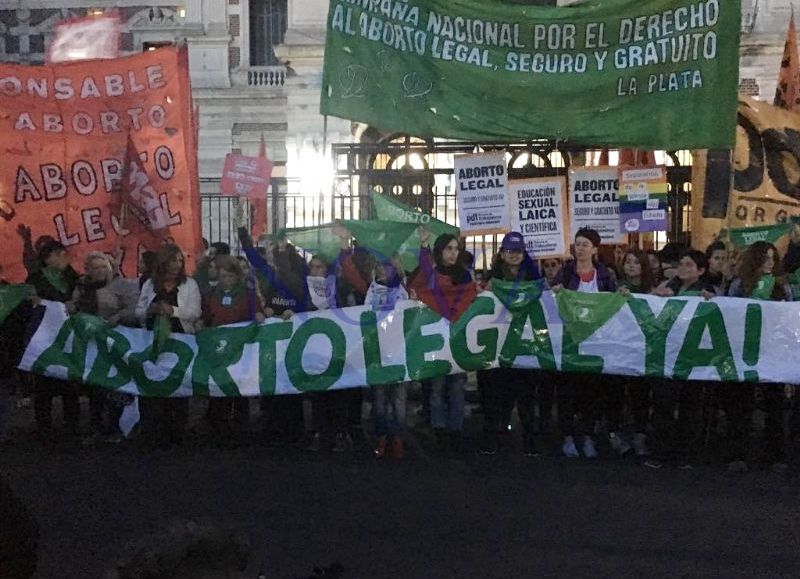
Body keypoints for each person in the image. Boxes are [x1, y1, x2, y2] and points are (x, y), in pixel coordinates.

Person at [409, 228, 478, 452]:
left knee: (456, 388)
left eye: (456, 249)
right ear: (439, 251)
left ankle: (455, 431)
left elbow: (469, 300)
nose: (453, 253)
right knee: (437, 388)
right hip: (436, 343)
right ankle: (440, 432)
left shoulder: (465, 276)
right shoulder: (430, 274)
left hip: (457, 341)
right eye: (448, 248)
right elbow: (415, 289)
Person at [479, 232, 547, 456]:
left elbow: (545, 300)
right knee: (499, 395)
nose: (514, 255)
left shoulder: (532, 276)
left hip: (525, 346)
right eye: (509, 251)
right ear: (502, 253)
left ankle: (529, 440)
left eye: (517, 251)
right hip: (500, 345)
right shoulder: (494, 278)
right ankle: (496, 437)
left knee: (527, 396)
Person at [551, 227, 616, 459]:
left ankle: (587, 435)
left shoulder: (606, 275)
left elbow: (614, 302)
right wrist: (556, 291)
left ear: (594, 249)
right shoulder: (566, 273)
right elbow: (552, 298)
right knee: (567, 391)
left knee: (591, 391)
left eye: (585, 244)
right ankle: (568, 437)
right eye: (577, 244)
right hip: (569, 342)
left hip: (596, 342)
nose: (580, 248)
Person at [238, 227, 307, 444]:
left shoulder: (297, 281)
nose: (268, 255)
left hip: (291, 337)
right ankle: (273, 427)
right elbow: (251, 256)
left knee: (290, 386)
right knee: (272, 382)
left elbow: (305, 306)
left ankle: (293, 430)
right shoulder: (270, 275)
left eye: (273, 252)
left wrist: (293, 313)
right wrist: (242, 232)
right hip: (272, 337)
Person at [727, 241, 792, 472]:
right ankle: (737, 454)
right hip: (745, 351)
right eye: (765, 258)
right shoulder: (739, 285)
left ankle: (776, 455)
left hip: (772, 352)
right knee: (741, 404)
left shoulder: (782, 288)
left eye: (773, 259)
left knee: (774, 404)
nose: (770, 263)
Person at [652, 249, 716, 469]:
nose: (683, 268)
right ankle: (661, 452)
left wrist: (712, 301)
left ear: (701, 270)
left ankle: (685, 454)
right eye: (681, 263)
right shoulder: (668, 288)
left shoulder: (707, 292)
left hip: (692, 357)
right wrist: (657, 297)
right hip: (669, 355)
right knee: (664, 405)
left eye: (689, 265)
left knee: (690, 406)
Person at [69, 252, 139, 444]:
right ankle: (95, 427)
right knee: (94, 386)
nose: (100, 271)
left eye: (103, 267)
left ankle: (115, 427)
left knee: (115, 385)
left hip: (115, 342)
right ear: (88, 271)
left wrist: (119, 316)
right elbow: (75, 308)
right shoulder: (82, 288)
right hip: (91, 343)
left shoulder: (122, 286)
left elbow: (135, 310)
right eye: (95, 268)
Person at [135, 244, 201, 447]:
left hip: (179, 338)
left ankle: (177, 430)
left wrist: (173, 310)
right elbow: (138, 310)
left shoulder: (189, 284)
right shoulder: (149, 284)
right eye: (173, 260)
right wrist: (150, 309)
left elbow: (194, 312)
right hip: (154, 339)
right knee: (153, 383)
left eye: (180, 261)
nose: (177, 265)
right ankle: (153, 430)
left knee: (177, 384)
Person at [200, 255, 266, 446]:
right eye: (223, 276)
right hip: (218, 347)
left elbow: (257, 312)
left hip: (240, 348)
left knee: (239, 388)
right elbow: (205, 316)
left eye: (230, 275)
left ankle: (240, 427)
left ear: (237, 276)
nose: (226, 279)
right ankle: (217, 427)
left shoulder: (247, 294)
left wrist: (259, 315)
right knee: (219, 386)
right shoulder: (212, 294)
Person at [25, 239, 81, 437]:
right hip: (45, 335)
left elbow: (81, 296)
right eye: (60, 255)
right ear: (48, 258)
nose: (64, 259)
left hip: (67, 335)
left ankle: (73, 424)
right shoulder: (36, 280)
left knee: (69, 380)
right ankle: (44, 428)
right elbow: (30, 303)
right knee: (44, 383)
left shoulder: (71, 276)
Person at [616, 249, 662, 468]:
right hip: (622, 349)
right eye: (628, 262)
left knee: (640, 394)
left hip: (646, 351)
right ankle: (619, 435)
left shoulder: (653, 290)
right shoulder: (617, 288)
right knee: (620, 393)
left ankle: (640, 436)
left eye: (636, 262)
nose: (632, 266)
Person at [365, 258, 410, 459]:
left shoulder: (403, 290)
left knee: (399, 400)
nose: (384, 270)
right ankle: (382, 437)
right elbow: (365, 315)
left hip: (399, 352)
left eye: (388, 266)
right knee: (380, 400)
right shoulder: (372, 290)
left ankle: (398, 437)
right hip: (379, 353)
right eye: (380, 267)